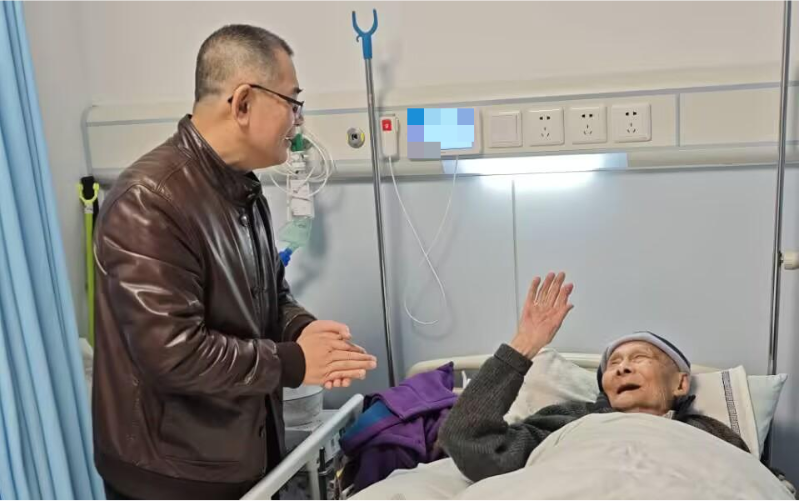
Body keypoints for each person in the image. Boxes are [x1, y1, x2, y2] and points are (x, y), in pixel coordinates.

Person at [92, 24, 378, 501]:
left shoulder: (242, 190)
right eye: (292, 103)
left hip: (239, 457)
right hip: (172, 478)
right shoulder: (150, 202)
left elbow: (269, 296)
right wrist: (295, 362)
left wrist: (303, 329)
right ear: (243, 102)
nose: (299, 121)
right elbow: (174, 353)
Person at [439, 272, 751, 482]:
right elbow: (469, 441)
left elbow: (752, 482)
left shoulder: (710, 434)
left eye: (639, 358)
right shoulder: (566, 422)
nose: (622, 368)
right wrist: (524, 345)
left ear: (680, 383)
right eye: (614, 363)